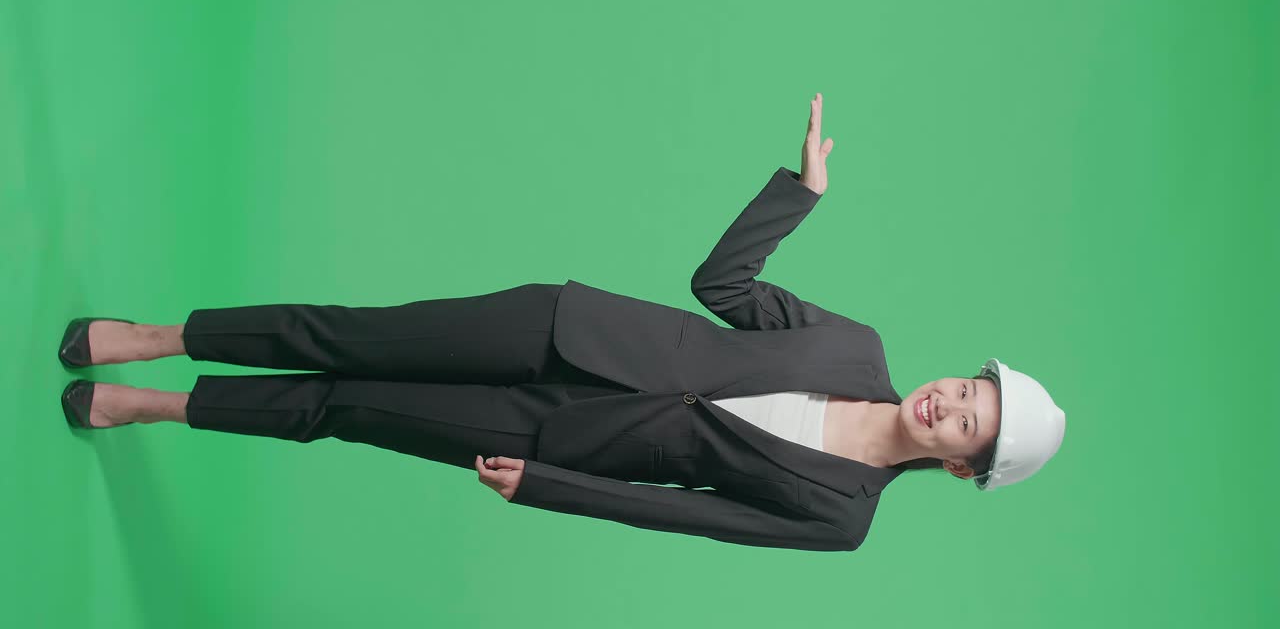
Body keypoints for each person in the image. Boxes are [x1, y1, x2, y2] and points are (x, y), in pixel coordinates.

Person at [58, 92, 1066, 552]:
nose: (949, 405)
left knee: (346, 407)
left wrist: (546, 488)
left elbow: (683, 512)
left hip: (560, 437)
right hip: (566, 330)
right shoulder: (859, 349)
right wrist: (796, 193)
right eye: (968, 390)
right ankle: (162, 337)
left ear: (961, 469)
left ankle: (157, 406)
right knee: (351, 336)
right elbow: (722, 285)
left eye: (968, 426)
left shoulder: (840, 518)